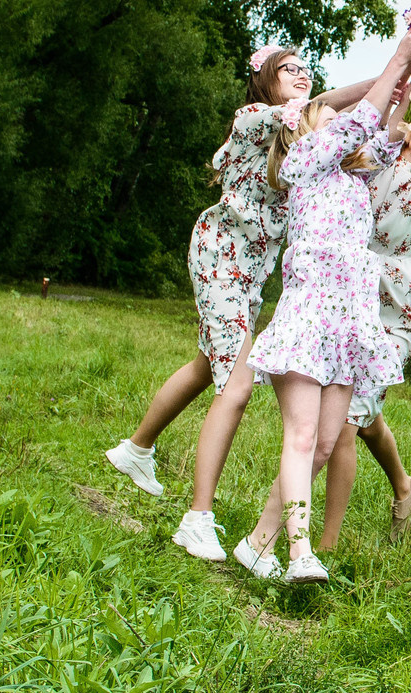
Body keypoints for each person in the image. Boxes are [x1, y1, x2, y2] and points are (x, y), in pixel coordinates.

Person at [231, 27, 411, 581]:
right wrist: (398, 56)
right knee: (299, 439)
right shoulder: (305, 160)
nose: (341, 124)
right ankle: (300, 552)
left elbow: (388, 125)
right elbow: (364, 117)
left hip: (350, 323)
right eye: (329, 117)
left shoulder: (353, 176)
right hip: (308, 316)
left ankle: (257, 544)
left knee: (323, 446)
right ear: (305, 130)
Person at [105, 45, 312, 514]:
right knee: (237, 385)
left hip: (249, 274)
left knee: (205, 366)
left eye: (306, 69)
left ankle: (135, 450)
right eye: (290, 69)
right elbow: (319, 107)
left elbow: (328, 115)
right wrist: (394, 65)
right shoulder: (254, 117)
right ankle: (198, 517)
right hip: (221, 255)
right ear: (266, 80)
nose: (302, 75)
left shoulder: (295, 140)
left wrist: (395, 81)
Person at [317, 49, 411, 551]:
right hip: (346, 295)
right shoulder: (375, 167)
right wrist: (407, 81)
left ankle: (329, 548)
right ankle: (405, 485)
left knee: (342, 422)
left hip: (393, 314)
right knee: (355, 407)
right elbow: (379, 129)